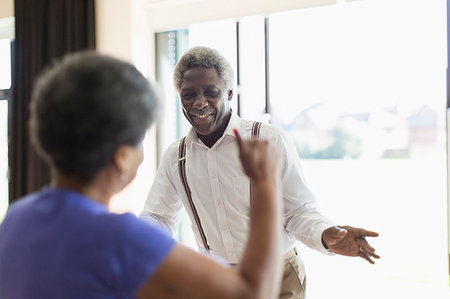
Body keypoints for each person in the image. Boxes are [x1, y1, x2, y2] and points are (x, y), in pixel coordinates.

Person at [0, 51, 284, 299]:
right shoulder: (119, 241)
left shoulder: (16, 219)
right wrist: (266, 183)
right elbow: (250, 293)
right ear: (121, 157)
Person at [140, 46, 381, 299]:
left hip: (279, 276)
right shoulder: (177, 155)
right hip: (215, 279)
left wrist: (325, 233)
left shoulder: (269, 140)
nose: (200, 103)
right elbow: (159, 217)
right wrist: (129, 236)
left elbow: (299, 210)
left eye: (211, 93)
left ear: (230, 92)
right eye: (189, 95)